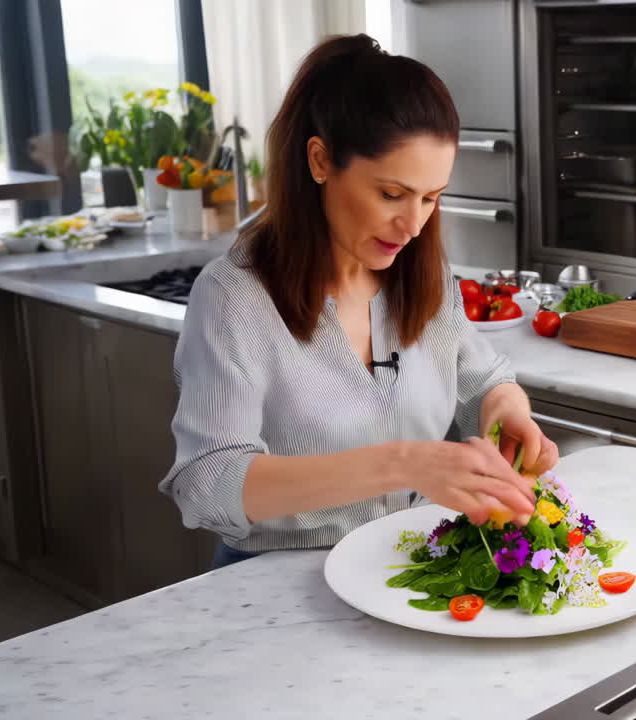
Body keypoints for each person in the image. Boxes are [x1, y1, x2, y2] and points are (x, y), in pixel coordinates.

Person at [161, 34, 558, 569]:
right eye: (391, 194)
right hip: (270, 588)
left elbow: (481, 381)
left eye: (431, 198)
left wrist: (506, 415)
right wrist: (402, 464)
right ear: (321, 161)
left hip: (407, 569)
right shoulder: (234, 296)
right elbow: (208, 482)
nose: (413, 224)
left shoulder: (424, 276)